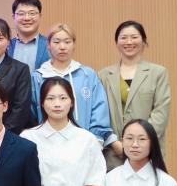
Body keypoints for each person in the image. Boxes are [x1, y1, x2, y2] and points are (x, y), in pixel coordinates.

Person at [31, 24, 117, 153]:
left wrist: (95, 142)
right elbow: (32, 113)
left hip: (85, 146)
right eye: (56, 42)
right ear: (48, 45)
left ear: (74, 44)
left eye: (67, 42)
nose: (62, 47)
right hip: (47, 146)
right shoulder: (38, 77)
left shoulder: (88, 75)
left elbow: (99, 109)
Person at [97, 21, 171, 169]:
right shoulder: (103, 75)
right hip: (114, 152)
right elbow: (99, 114)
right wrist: (114, 143)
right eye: (123, 38)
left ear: (143, 41)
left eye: (134, 37)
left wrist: (140, 142)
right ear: (117, 42)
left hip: (148, 151)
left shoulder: (158, 73)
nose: (129, 42)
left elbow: (160, 113)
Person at [8, 0, 48, 71]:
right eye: (21, 14)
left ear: (40, 16)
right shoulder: (6, 46)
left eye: (32, 13)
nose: (27, 18)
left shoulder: (50, 45)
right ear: (13, 17)